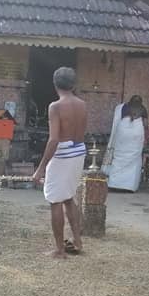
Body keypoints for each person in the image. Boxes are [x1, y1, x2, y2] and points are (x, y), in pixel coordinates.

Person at [33, 67, 88, 258]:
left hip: (63, 152)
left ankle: (60, 250)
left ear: (55, 84)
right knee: (68, 196)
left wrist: (40, 169)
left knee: (55, 199)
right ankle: (78, 241)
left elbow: (54, 140)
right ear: (73, 84)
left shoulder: (55, 107)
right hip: (79, 150)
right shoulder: (82, 104)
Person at [102, 95, 149, 192]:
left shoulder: (123, 107)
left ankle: (114, 184)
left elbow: (117, 121)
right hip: (137, 133)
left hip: (122, 132)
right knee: (133, 159)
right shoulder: (143, 109)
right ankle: (129, 186)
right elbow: (145, 124)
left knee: (119, 156)